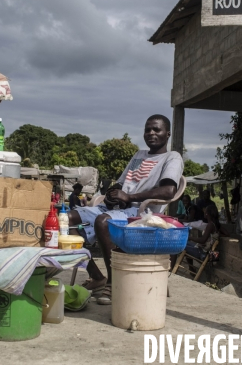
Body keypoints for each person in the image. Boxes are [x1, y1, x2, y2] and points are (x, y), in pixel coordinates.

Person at [68, 114, 183, 304]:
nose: (151, 133)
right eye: (147, 129)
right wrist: (114, 195)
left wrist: (130, 197)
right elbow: (120, 184)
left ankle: (114, 284)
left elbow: (168, 191)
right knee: (68, 219)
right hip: (118, 208)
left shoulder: (172, 157)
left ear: (168, 133)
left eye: (157, 129)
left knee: (103, 222)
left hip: (142, 214)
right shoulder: (138, 155)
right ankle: (97, 276)